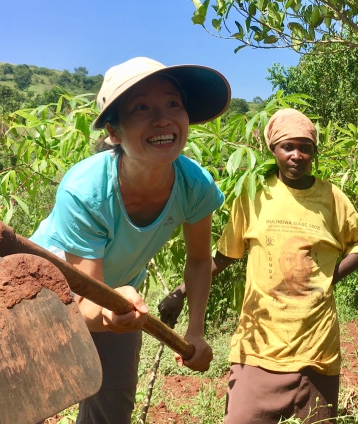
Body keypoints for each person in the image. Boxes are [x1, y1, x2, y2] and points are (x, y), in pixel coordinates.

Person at [30, 56, 230, 423]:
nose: (163, 118)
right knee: (30, 402)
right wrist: (106, 311)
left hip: (120, 298)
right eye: (142, 107)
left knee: (112, 409)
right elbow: (84, 300)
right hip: (45, 293)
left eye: (173, 103)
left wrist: (196, 331)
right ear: (114, 132)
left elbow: (200, 259)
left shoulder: (195, 185)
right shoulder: (86, 191)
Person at [159, 108, 358, 423]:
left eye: (306, 148)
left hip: (317, 350)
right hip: (258, 349)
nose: (297, 155)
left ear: (314, 152)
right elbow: (224, 257)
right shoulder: (254, 196)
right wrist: (181, 292)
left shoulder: (331, 197)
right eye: (288, 147)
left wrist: (328, 279)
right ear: (273, 149)